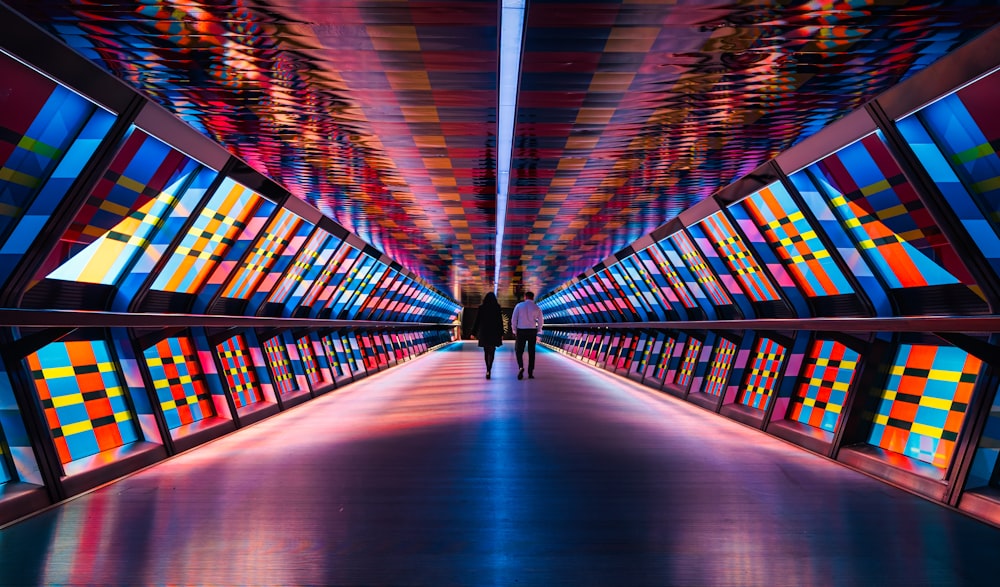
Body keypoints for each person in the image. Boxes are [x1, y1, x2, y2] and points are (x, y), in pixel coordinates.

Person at [471, 291, 504, 379]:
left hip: (484, 332)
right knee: (492, 350)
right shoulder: (497, 308)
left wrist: (473, 332)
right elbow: (500, 322)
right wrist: (501, 333)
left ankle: (487, 369)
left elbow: (477, 321)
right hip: (494, 332)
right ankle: (490, 367)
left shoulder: (482, 308)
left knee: (486, 351)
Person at [510, 290, 543, 380]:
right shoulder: (537, 307)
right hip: (532, 331)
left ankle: (521, 367)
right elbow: (540, 321)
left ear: (525, 297)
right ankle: (530, 373)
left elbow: (514, 319)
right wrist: (539, 330)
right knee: (531, 352)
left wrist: (514, 330)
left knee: (519, 350)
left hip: (521, 330)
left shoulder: (519, 306)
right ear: (533, 298)